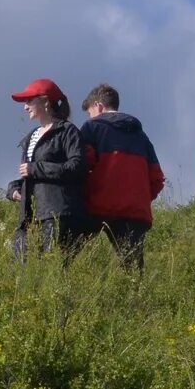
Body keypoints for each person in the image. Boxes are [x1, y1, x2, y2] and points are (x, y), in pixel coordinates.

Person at [79, 84, 166, 268]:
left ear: (99, 106)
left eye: (90, 112)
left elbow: (81, 166)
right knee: (133, 271)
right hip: (134, 211)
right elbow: (157, 178)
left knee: (72, 256)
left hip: (97, 207)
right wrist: (140, 198)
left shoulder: (92, 127)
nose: (90, 117)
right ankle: (136, 297)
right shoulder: (141, 136)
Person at [7, 78, 94, 255]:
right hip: (30, 217)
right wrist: (15, 188)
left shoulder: (67, 131)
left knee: (52, 269)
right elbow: (31, 174)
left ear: (45, 101)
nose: (25, 106)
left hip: (58, 214)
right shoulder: (32, 136)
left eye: (29, 100)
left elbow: (77, 167)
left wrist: (35, 168)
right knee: (22, 270)